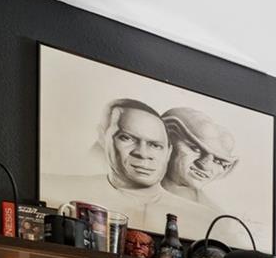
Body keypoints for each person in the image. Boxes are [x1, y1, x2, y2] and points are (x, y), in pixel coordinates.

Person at [47, 98, 182, 232]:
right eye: (126, 138)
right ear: (102, 137)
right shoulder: (55, 187)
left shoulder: (197, 216)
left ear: (169, 151)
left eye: (155, 145)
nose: (143, 153)